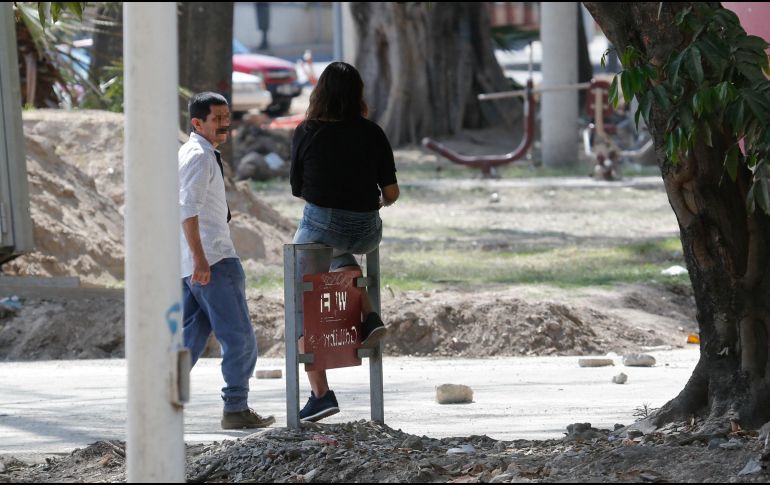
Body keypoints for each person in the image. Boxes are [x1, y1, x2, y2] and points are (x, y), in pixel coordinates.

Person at [289, 62, 400, 422]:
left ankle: (320, 394)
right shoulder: (373, 132)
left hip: (322, 225)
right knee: (343, 254)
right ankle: (368, 316)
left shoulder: (307, 131)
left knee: (300, 302)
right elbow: (392, 193)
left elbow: (297, 190)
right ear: (358, 94)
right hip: (367, 231)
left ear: (319, 93)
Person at [179, 92, 275, 430]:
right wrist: (201, 260)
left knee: (189, 339)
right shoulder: (200, 158)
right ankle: (236, 408)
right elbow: (187, 211)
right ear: (197, 122)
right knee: (240, 339)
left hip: (195, 263)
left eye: (226, 117)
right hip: (213, 261)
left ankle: (161, 402)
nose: (225, 124)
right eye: (217, 118)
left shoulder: (194, 153)